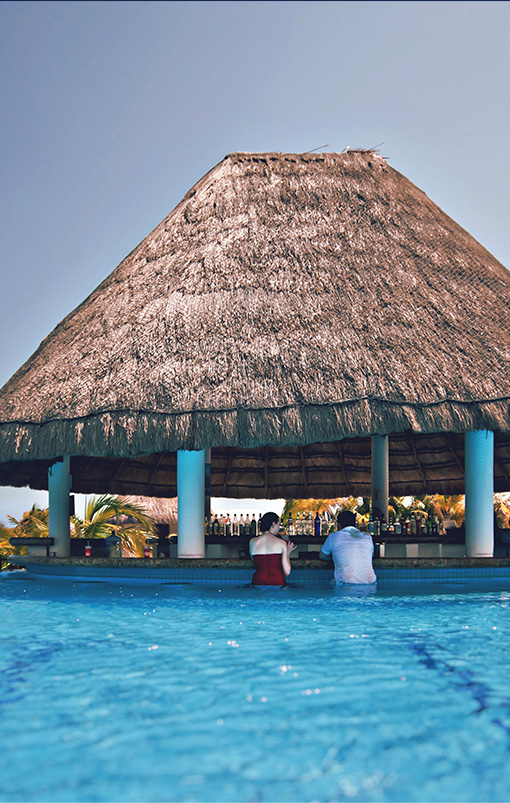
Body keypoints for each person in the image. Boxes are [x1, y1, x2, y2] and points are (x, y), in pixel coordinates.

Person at [320, 510, 377, 585]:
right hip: (370, 583)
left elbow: (322, 556)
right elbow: (370, 555)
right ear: (355, 524)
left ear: (339, 524)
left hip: (346, 583)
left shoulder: (334, 536)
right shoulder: (367, 537)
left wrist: (334, 557)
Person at [249, 511, 297, 586]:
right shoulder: (281, 543)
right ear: (273, 524)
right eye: (278, 525)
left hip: (258, 582)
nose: (278, 528)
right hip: (277, 583)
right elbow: (287, 572)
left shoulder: (252, 542)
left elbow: (254, 560)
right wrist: (287, 553)